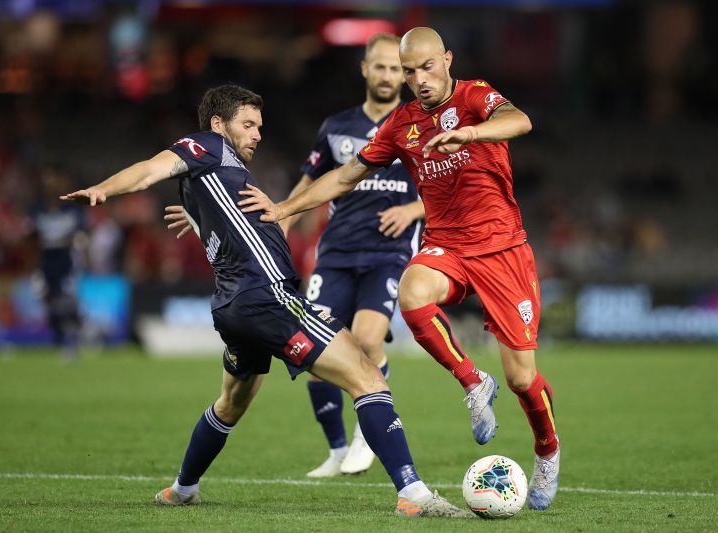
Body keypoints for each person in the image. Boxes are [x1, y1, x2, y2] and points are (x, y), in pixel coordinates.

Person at [60, 84, 467, 518]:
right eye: (248, 125)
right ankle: (414, 494)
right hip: (268, 295)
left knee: (231, 404)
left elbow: (230, 231)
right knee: (368, 376)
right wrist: (105, 188)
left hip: (234, 306)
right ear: (218, 124)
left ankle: (182, 490)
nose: (257, 134)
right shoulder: (208, 147)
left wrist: (200, 218)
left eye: (260, 126)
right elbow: (148, 171)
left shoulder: (217, 176)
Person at [236, 28, 561, 511]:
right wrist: (284, 210)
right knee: (412, 293)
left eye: (427, 67)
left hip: (502, 251)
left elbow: (519, 121)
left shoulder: (474, 96)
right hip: (446, 246)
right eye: (410, 71)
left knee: (521, 378)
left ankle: (547, 451)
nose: (418, 79)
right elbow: (346, 175)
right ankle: (472, 381)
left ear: (447, 60)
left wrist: (469, 132)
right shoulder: (402, 124)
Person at [277, 33, 423, 478]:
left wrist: (413, 208)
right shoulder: (336, 127)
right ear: (364, 69)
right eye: (379, 67)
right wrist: (281, 219)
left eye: (396, 68)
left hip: (389, 253)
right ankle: (338, 449)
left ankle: (367, 433)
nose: (387, 75)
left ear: (406, 73)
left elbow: (452, 185)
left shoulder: (419, 125)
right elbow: (310, 181)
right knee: (315, 352)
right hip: (337, 251)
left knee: (366, 339)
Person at [29, 166, 88, 359]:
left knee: (66, 299)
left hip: (66, 258)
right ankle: (60, 337)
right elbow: (31, 237)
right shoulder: (38, 209)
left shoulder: (73, 209)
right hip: (46, 259)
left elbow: (81, 235)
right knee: (47, 298)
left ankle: (73, 339)